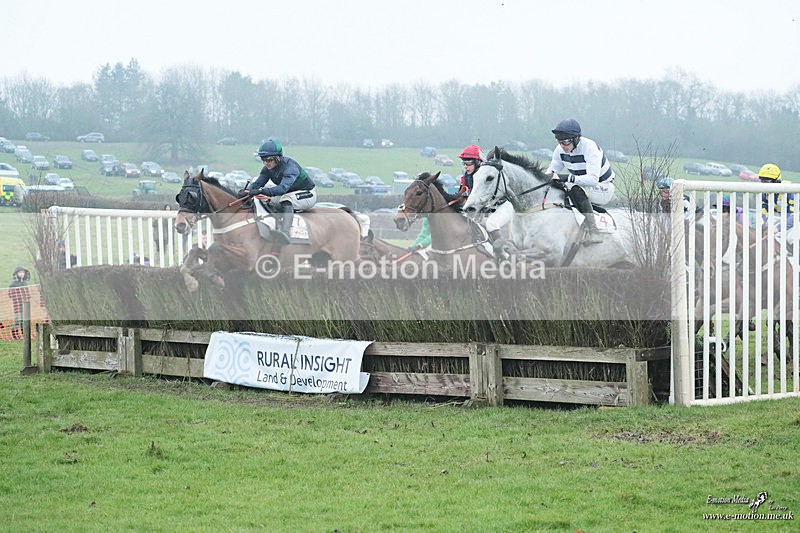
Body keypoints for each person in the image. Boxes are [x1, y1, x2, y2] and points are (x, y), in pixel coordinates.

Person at [546, 119, 616, 244]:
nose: (562, 145)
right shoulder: (559, 150)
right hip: (582, 184)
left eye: (566, 142)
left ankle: (594, 232)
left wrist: (567, 178)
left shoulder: (590, 147)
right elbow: (550, 172)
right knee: (557, 188)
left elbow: (592, 180)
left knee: (575, 189)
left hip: (603, 187)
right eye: (560, 141)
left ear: (576, 138)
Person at [408, 145, 485, 253]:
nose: (465, 166)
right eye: (464, 163)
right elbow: (461, 193)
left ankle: (491, 249)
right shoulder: (465, 177)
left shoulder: (485, 178)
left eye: (468, 163)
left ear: (478, 162)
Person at [240, 140, 316, 245]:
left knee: (286, 200)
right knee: (267, 201)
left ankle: (285, 233)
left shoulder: (290, 167)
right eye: (263, 159)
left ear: (278, 157)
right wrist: (247, 191)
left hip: (307, 193)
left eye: (269, 159)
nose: (266, 162)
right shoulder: (267, 169)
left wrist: (261, 191)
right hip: (289, 193)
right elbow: (258, 183)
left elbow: (282, 189)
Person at [757, 163, 795, 231]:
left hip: (795, 222)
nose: (764, 184)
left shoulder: (789, 191)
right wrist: (757, 226)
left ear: (776, 180)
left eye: (766, 181)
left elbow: (795, 216)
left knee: (790, 238)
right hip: (786, 222)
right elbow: (764, 213)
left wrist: (778, 228)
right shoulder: (765, 194)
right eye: (762, 180)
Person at [8, 265, 30, 340]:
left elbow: (27, 292)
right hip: (17, 306)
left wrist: (27, 297)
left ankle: (25, 335)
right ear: (16, 273)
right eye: (20, 272)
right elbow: (10, 294)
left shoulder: (25, 283)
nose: (22, 274)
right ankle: (15, 334)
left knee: (25, 320)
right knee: (18, 320)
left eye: (23, 272)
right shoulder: (13, 284)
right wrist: (18, 297)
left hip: (25, 305)